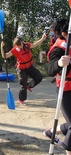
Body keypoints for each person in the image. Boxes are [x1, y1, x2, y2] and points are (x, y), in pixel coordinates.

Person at [44, 18, 71, 155]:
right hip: (66, 91)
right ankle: (68, 148)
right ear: (65, 34)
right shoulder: (59, 49)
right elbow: (49, 69)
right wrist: (59, 63)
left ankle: (51, 132)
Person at [1, 33, 47, 105]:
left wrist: (42, 39)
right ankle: (21, 99)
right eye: (18, 46)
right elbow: (5, 56)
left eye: (20, 45)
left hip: (29, 66)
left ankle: (29, 85)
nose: (19, 47)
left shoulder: (26, 45)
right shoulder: (15, 50)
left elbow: (35, 44)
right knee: (23, 85)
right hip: (21, 69)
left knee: (39, 77)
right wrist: (1, 47)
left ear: (22, 42)